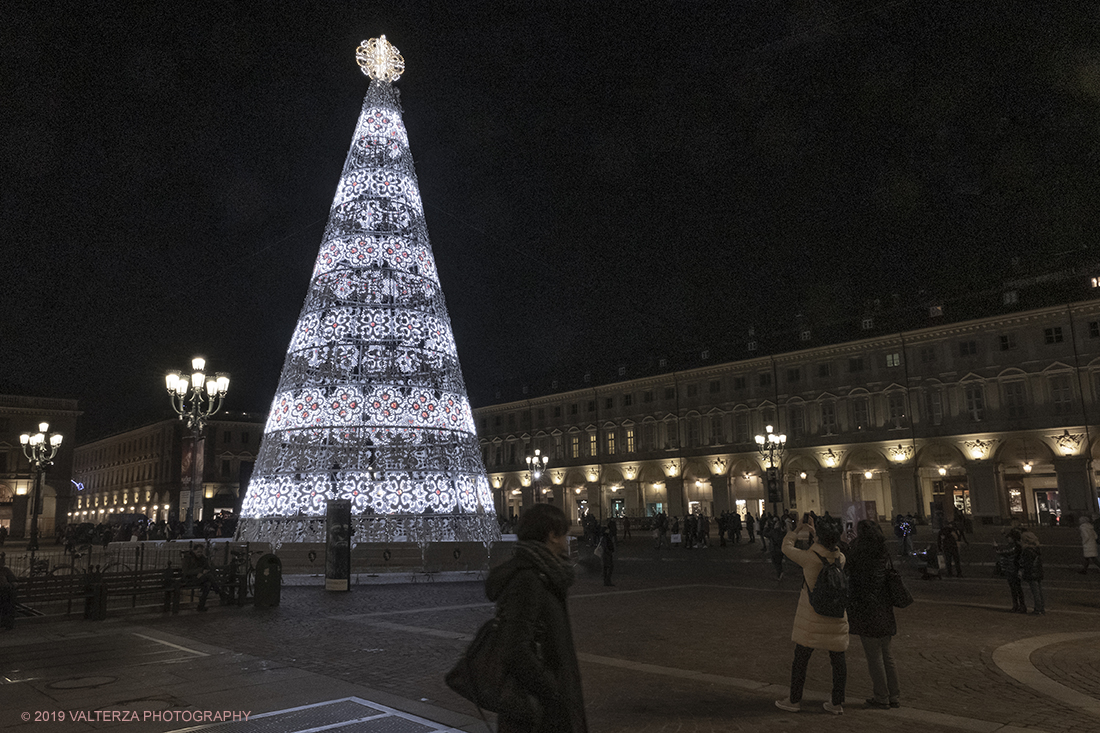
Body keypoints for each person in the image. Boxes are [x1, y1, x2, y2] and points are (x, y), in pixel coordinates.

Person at [485, 503, 587, 733]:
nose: (565, 541)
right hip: (536, 711)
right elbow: (515, 648)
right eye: (564, 534)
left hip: (542, 704)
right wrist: (554, 691)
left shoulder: (543, 573)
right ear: (551, 535)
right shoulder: (529, 578)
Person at [775, 517, 848, 715]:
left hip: (812, 616)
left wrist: (797, 529)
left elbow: (786, 546)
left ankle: (794, 700)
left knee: (800, 660)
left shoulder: (808, 558)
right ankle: (836, 703)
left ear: (818, 538)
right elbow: (831, 545)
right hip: (836, 615)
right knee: (838, 661)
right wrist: (820, 535)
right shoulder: (840, 558)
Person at [846, 520, 900, 709]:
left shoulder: (858, 550)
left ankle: (881, 696)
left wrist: (849, 544)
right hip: (884, 606)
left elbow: (849, 570)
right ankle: (894, 696)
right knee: (887, 654)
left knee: (874, 656)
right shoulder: (882, 549)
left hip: (867, 608)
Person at [185, 545, 225, 612]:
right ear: (194, 551)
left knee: (208, 584)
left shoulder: (202, 558)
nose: (199, 554)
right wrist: (200, 571)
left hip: (201, 578)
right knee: (209, 578)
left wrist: (203, 572)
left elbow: (207, 568)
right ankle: (219, 591)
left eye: (201, 552)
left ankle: (201, 606)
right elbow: (186, 572)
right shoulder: (188, 558)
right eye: (198, 552)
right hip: (190, 579)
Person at [996, 529, 1026, 613]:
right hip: (1011, 570)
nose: (1008, 539)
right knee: (1014, 589)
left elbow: (1004, 551)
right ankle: (1017, 605)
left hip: (1014, 570)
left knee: (1017, 589)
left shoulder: (1015, 547)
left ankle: (1020, 606)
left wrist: (996, 547)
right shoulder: (1015, 546)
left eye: (1009, 537)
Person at [1020, 530, 1045, 615]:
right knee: (1039, 591)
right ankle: (1041, 608)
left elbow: (1027, 564)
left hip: (1032, 573)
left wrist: (1023, 572)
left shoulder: (1027, 551)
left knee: (1036, 592)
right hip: (1038, 572)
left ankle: (1038, 609)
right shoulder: (1036, 549)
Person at [0, 557, 17, 630]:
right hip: (4, 593)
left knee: (7, 601)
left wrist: (10, 585)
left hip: (5, 592)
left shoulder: (5, 570)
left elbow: (14, 582)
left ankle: (6, 622)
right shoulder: (5, 571)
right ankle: (6, 622)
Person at [599, 521, 616, 586]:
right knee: (609, 567)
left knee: (606, 568)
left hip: (606, 554)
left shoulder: (604, 537)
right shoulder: (605, 538)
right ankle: (607, 581)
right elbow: (606, 546)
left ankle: (606, 581)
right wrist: (609, 551)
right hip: (606, 554)